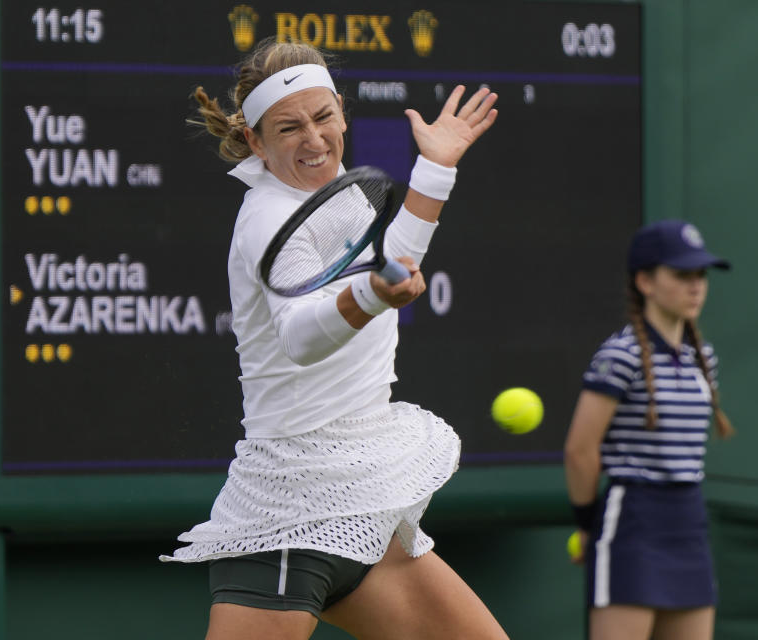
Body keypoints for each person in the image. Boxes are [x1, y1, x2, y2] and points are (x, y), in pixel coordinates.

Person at [160, 38, 503, 640]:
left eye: (323, 118)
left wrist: (436, 169)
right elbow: (300, 335)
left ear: (343, 111)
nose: (314, 140)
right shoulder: (268, 217)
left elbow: (392, 263)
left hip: (364, 505)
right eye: (289, 128)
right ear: (254, 141)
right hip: (288, 517)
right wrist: (371, 296)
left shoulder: (338, 189)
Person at [563, 219, 734, 640]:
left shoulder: (704, 358)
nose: (696, 286)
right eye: (681, 274)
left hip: (689, 524)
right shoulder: (619, 355)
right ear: (645, 281)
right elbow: (580, 451)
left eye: (700, 275)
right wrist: (588, 525)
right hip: (633, 524)